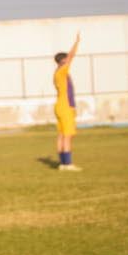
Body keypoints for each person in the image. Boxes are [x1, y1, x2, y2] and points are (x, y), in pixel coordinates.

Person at [53, 33, 81, 171]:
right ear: (62, 60)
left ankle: (62, 164)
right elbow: (71, 56)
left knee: (61, 135)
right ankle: (68, 164)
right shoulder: (62, 71)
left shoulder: (57, 73)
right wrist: (77, 42)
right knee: (67, 136)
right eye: (66, 59)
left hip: (59, 106)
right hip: (65, 106)